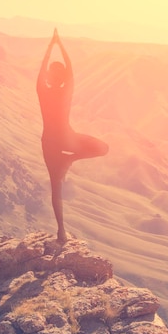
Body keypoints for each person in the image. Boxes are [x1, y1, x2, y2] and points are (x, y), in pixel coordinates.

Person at [37, 29, 109, 243]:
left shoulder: (42, 90)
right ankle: (70, 158)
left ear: (50, 76)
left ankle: (61, 231)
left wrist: (51, 47)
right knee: (102, 148)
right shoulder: (66, 89)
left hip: (49, 142)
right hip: (67, 138)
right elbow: (70, 70)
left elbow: (42, 69)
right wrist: (60, 46)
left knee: (55, 187)